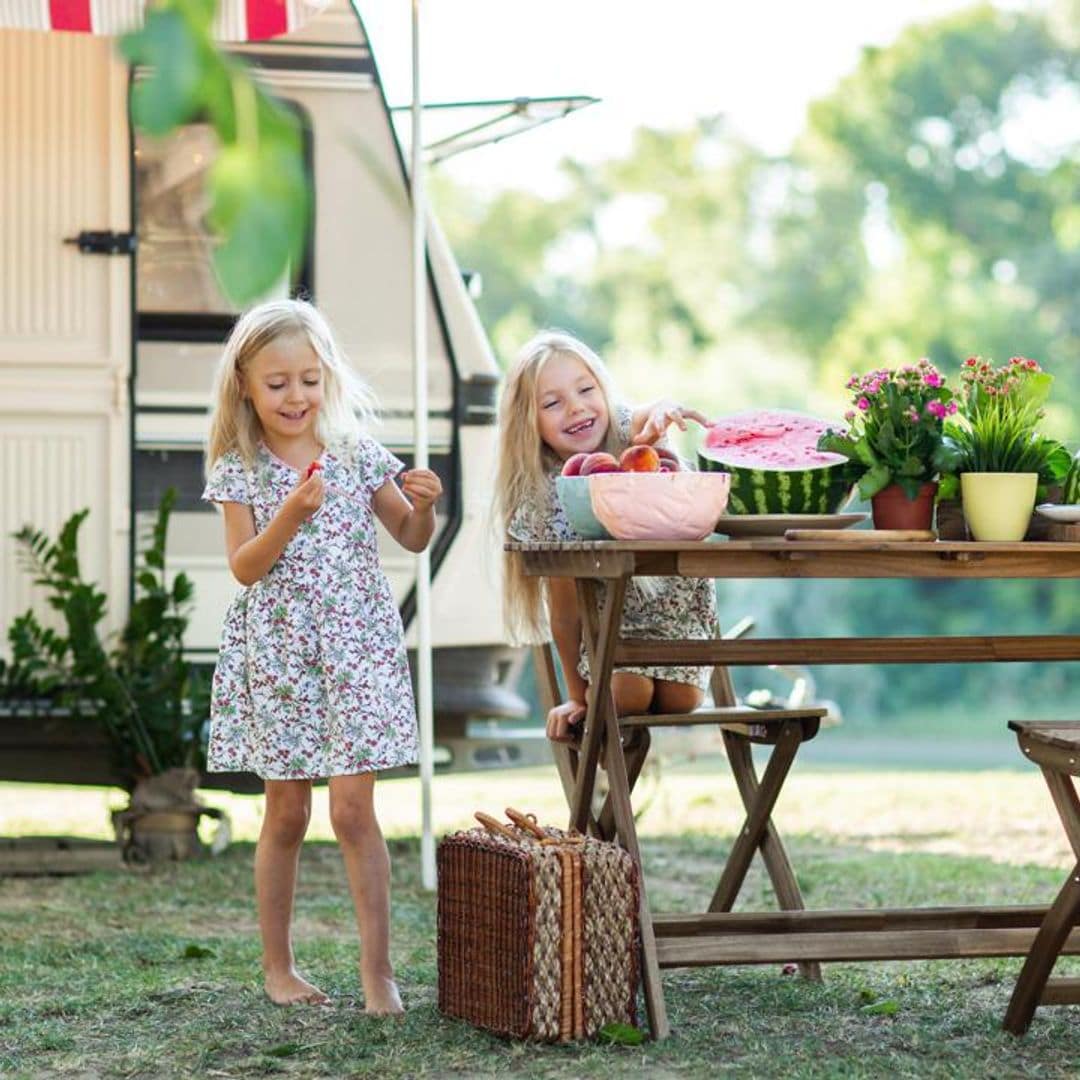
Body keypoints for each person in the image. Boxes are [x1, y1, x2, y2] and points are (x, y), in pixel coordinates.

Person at [202, 298, 442, 1012]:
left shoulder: (357, 453)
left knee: (353, 812)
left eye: (308, 379)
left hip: (357, 650)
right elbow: (245, 567)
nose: (295, 396)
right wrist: (290, 515)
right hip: (281, 658)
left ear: (327, 377)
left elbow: (411, 536)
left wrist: (424, 505)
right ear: (245, 384)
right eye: (276, 383)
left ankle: (379, 972)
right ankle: (279, 968)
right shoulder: (238, 465)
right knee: (285, 814)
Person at [496, 330, 717, 741]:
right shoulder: (543, 498)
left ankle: (610, 796)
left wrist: (664, 411)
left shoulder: (632, 445)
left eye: (585, 389)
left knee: (679, 699)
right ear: (530, 421)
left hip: (679, 635)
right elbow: (563, 611)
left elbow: (648, 413)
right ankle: (607, 799)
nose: (576, 409)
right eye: (552, 403)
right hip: (610, 645)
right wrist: (578, 697)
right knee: (623, 696)